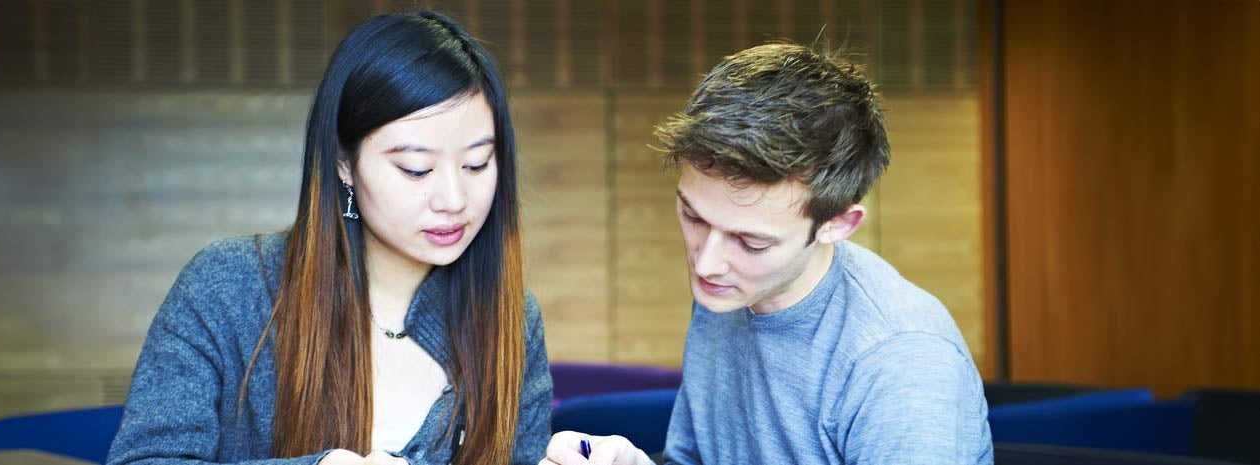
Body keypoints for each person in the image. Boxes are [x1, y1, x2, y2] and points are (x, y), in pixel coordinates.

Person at [107, 11, 552, 465]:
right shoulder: (229, 288)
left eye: (477, 164)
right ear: (344, 163)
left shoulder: (511, 316)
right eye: (416, 169)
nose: (454, 199)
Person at [542, 42, 992, 465]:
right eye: (692, 216)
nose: (706, 262)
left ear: (836, 224)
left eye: (751, 241)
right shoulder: (731, 290)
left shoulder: (900, 363)